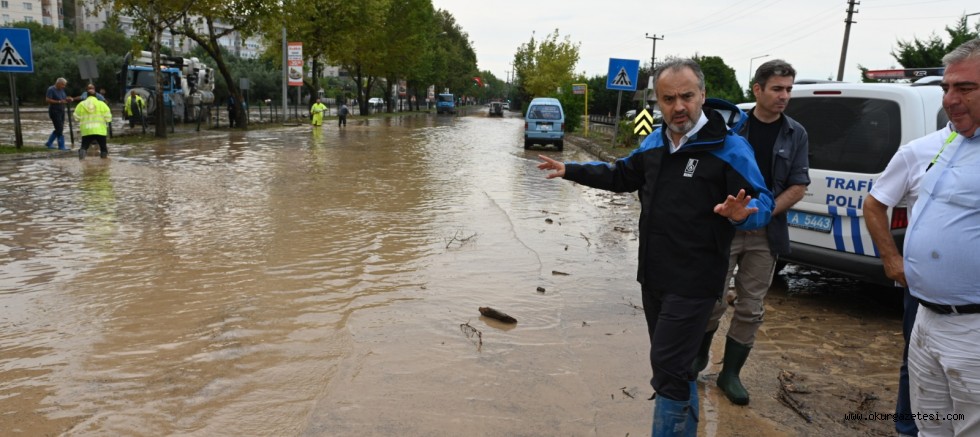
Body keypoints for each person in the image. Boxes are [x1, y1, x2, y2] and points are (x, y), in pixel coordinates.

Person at [537, 58, 774, 436]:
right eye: (668, 99)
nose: (678, 106)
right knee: (675, 369)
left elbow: (764, 202)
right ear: (657, 102)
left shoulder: (730, 148)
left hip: (696, 280)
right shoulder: (653, 142)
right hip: (654, 274)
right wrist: (571, 170)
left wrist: (742, 215)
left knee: (665, 367)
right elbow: (621, 175)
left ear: (702, 95)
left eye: (686, 96)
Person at [695, 59, 810, 406]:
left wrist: (759, 213)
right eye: (777, 88)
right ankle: (698, 358)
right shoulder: (729, 130)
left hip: (765, 233)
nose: (784, 96)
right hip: (723, 229)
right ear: (757, 90)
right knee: (711, 298)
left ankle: (730, 375)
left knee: (751, 306)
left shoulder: (796, 133)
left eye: (789, 89)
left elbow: (798, 185)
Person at [905, 38, 980, 436]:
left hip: (973, 330)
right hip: (927, 318)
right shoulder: (952, 141)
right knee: (930, 428)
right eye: (946, 88)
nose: (950, 99)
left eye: (965, 88)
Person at [865, 124, 953, 437]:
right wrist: (891, 258)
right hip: (923, 287)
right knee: (916, 360)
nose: (953, 98)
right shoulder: (921, 151)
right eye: (949, 88)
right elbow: (874, 204)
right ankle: (908, 428)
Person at [73, 84, 113, 160]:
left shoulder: (81, 104)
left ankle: (82, 162)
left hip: (87, 130)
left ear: (86, 95)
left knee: (84, 146)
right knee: (103, 147)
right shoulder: (102, 104)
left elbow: (76, 117)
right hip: (100, 130)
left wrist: (82, 119)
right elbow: (108, 118)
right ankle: (104, 165)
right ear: (96, 95)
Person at [45, 77, 74, 150]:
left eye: (64, 85)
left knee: (59, 128)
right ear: (57, 83)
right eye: (62, 85)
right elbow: (47, 100)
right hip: (54, 111)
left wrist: (68, 99)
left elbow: (63, 98)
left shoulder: (62, 90)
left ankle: (49, 143)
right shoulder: (51, 89)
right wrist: (59, 102)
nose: (63, 86)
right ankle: (61, 146)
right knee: (59, 128)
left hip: (61, 111)